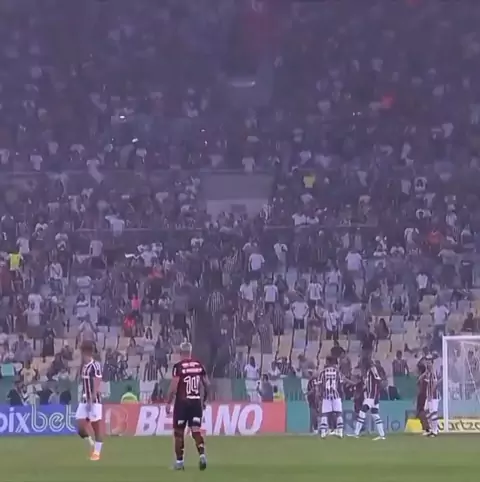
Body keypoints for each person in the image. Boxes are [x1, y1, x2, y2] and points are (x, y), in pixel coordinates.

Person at [166, 341, 210, 471]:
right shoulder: (199, 365)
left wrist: (168, 402)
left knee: (179, 432)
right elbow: (207, 384)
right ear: (190, 352)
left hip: (182, 404)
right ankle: (202, 455)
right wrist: (204, 400)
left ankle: (179, 462)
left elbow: (174, 387)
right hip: (196, 403)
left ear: (181, 353)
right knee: (196, 430)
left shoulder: (179, 367)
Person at [75, 341, 103, 461]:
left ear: (86, 352)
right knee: (80, 426)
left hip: (94, 401)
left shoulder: (95, 365)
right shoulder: (84, 366)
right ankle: (91, 443)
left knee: (96, 428)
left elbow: (97, 382)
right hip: (84, 399)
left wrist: (92, 398)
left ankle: (97, 453)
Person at [351, 358, 386, 440]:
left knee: (362, 412)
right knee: (375, 415)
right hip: (373, 395)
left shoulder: (372, 369)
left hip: (372, 396)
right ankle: (382, 435)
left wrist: (376, 394)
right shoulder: (368, 372)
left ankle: (356, 433)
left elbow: (378, 380)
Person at [317, 356, 344, 439]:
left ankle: (323, 432)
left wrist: (320, 394)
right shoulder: (337, 372)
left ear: (328, 362)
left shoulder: (323, 373)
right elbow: (340, 385)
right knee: (338, 413)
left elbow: (320, 385)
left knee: (325, 414)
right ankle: (340, 432)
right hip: (336, 395)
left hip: (326, 395)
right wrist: (342, 394)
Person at [419, 355, 440, 437]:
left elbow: (435, 383)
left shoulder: (433, 372)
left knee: (433, 412)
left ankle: (435, 431)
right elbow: (422, 377)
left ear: (432, 363)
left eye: (429, 362)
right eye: (427, 362)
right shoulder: (428, 372)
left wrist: (431, 393)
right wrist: (422, 376)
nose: (428, 364)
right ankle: (432, 428)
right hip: (429, 395)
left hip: (433, 396)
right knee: (426, 410)